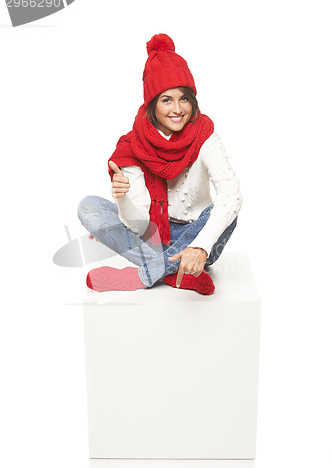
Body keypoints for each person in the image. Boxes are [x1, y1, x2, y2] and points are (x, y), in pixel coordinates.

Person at [78, 33, 243, 295]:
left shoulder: (205, 135)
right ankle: (173, 273)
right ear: (152, 104)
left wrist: (200, 246)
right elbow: (140, 224)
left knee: (227, 213)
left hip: (195, 243)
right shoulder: (133, 146)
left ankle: (144, 275)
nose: (178, 109)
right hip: (152, 238)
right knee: (89, 207)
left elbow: (231, 193)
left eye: (184, 98)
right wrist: (123, 198)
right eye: (167, 100)